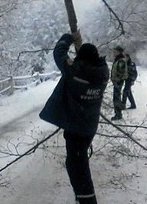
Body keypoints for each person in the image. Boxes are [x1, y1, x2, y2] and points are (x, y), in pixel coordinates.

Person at [40, 32, 109, 204]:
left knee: (76, 166)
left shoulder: (73, 72)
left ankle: (87, 200)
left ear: (80, 58)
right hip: (89, 128)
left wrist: (69, 37)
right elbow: (84, 66)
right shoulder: (103, 74)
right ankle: (81, 197)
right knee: (77, 162)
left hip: (75, 129)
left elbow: (58, 52)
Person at [110, 46, 128, 120]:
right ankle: (118, 113)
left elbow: (121, 72)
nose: (114, 53)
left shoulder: (121, 60)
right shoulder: (118, 59)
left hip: (118, 82)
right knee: (116, 97)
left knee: (116, 98)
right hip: (117, 81)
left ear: (119, 52)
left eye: (115, 51)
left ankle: (118, 114)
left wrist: (116, 80)